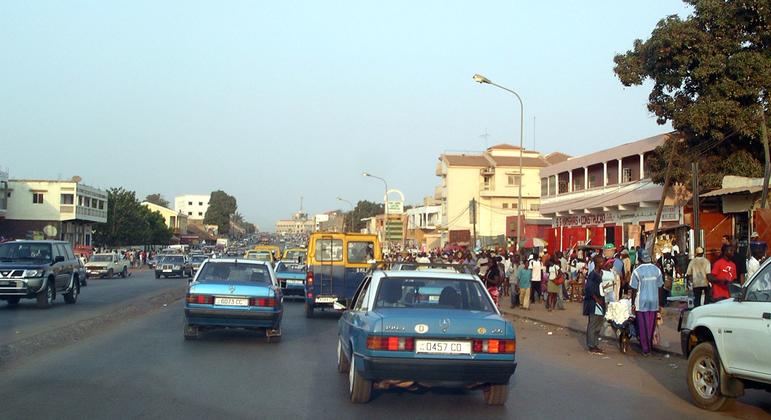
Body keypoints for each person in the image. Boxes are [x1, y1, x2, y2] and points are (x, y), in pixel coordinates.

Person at [630, 250, 663, 356]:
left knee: (643, 326)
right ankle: (650, 346)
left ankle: (645, 349)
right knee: (651, 325)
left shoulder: (636, 271)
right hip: (654, 301)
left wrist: (633, 304)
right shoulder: (657, 270)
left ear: (639, 259)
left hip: (641, 302)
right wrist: (660, 303)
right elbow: (660, 287)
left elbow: (634, 289)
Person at [583, 255, 606, 354]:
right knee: (593, 324)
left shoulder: (601, 273)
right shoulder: (593, 275)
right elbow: (588, 289)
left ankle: (595, 343)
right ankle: (591, 345)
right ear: (597, 263)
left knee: (599, 324)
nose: (603, 264)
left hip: (601, 301)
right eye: (601, 262)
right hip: (594, 302)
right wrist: (596, 299)